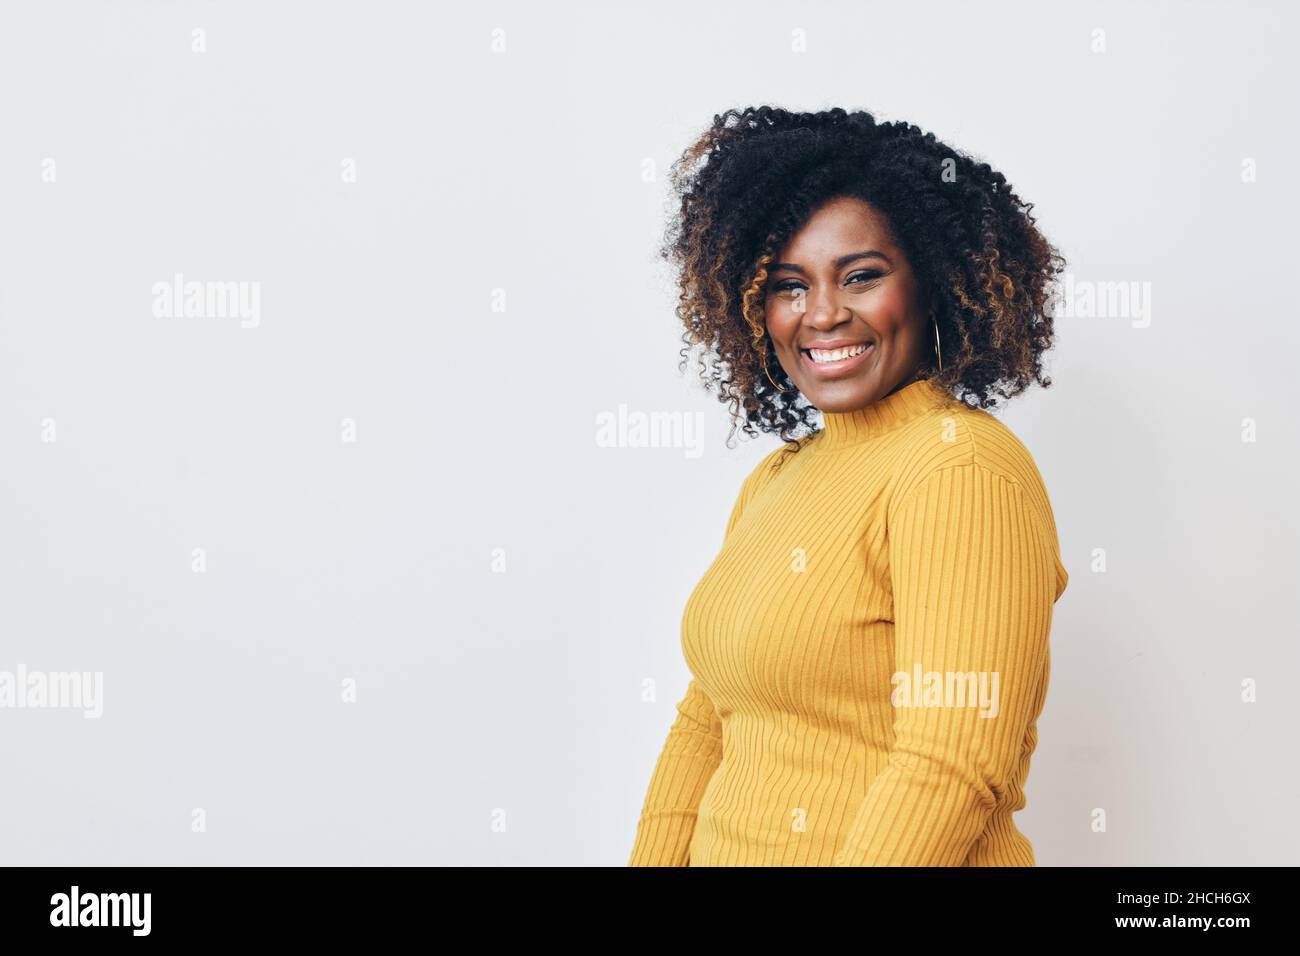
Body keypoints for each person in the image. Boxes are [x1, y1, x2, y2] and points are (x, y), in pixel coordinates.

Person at [629, 106, 1069, 866]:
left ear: (933, 282)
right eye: (788, 285)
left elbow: (951, 765)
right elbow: (708, 719)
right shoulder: (777, 478)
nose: (823, 314)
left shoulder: (959, 467)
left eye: (860, 276)